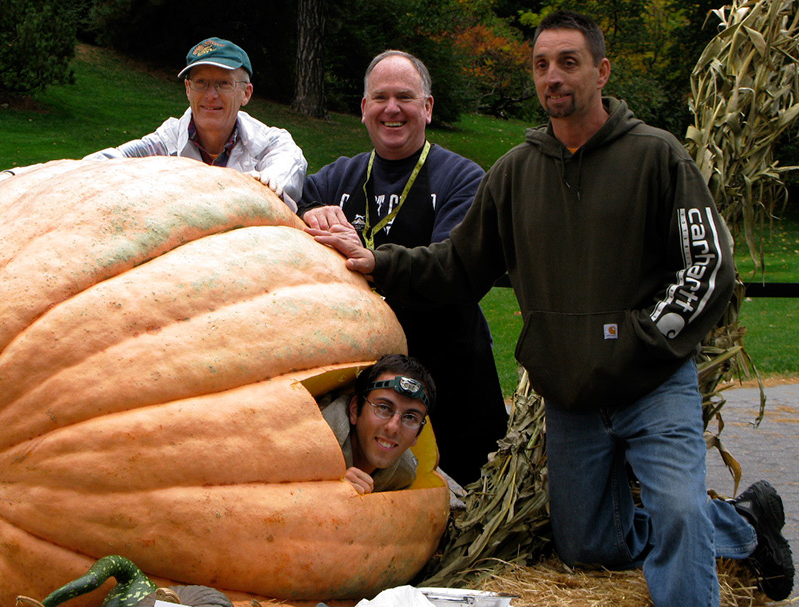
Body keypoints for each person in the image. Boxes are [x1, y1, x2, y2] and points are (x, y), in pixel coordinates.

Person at [307, 10, 794, 606]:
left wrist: (643, 339)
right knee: (586, 545)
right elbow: (455, 266)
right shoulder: (517, 173)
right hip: (573, 399)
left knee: (675, 512)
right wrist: (377, 262)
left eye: (569, 62)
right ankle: (745, 524)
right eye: (542, 65)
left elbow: (708, 264)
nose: (553, 76)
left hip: (653, 384)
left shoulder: (656, 156)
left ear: (601, 71)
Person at [298, 50, 506, 486]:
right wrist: (311, 212)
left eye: (405, 97)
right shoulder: (338, 178)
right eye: (380, 98)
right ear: (364, 109)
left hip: (452, 386)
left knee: (452, 508)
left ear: (427, 108)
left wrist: (374, 261)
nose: (391, 109)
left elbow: (453, 271)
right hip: (365, 391)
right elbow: (293, 207)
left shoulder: (463, 179)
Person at [83, 37, 307, 210]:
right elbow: (109, 163)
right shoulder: (166, 141)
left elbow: (287, 167)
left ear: (246, 93)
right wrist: (61, 173)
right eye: (201, 83)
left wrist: (268, 185)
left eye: (223, 83)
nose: (211, 95)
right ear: (188, 89)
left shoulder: (270, 143)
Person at [320, 354, 435, 494]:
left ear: (418, 435)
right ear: (355, 410)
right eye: (383, 408)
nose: (393, 427)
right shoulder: (312, 439)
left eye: (410, 417)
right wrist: (326, 489)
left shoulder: (402, 476)